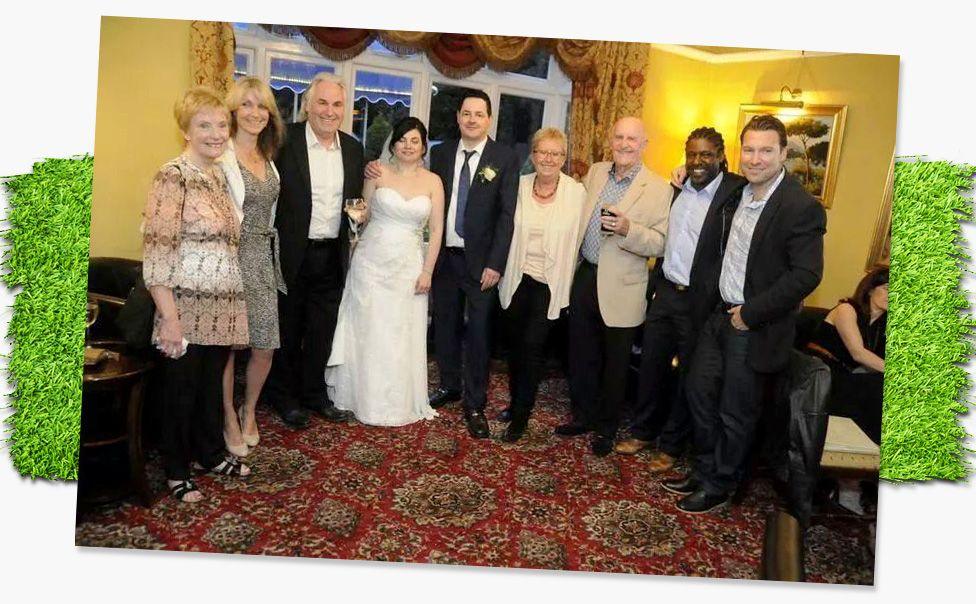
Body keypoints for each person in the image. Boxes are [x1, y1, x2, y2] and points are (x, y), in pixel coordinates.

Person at [665, 114, 827, 514]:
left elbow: (807, 274)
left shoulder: (800, 206)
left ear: (783, 153)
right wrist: (687, 171)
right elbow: (707, 178)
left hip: (753, 325)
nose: (755, 159)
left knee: (734, 411)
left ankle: (720, 484)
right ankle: (704, 470)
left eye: (766, 150)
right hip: (717, 316)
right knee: (698, 392)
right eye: (749, 150)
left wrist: (750, 314)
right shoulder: (739, 190)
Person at [615, 127, 747, 473]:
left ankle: (671, 445)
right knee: (650, 368)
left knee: (688, 376)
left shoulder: (735, 193)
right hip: (667, 293)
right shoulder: (674, 190)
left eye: (706, 155)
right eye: (692, 155)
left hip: (700, 304)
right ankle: (643, 431)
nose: (698, 161)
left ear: (720, 155)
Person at [142, 86, 251, 503]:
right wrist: (169, 318)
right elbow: (158, 249)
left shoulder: (218, 174)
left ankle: (209, 454)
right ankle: (175, 470)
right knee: (181, 391)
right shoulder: (173, 175)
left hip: (222, 305)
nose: (216, 132)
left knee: (211, 388)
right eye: (204, 125)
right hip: (184, 305)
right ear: (185, 130)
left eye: (222, 124)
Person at [557, 117, 672, 456]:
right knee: (580, 354)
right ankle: (583, 416)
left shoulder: (659, 188)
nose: (624, 144)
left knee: (615, 363)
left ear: (644, 144)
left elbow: (661, 243)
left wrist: (627, 229)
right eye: (619, 136)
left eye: (632, 139)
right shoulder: (595, 172)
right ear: (611, 139)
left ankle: (606, 428)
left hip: (623, 286)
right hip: (585, 276)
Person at [325, 117, 445, 425]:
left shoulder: (433, 182)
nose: (407, 145)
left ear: (423, 146)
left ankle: (395, 401)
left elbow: (437, 228)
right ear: (393, 143)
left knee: (400, 332)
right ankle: (361, 397)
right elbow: (361, 213)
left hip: (409, 266)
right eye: (402, 139)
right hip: (372, 263)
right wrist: (355, 216)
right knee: (369, 329)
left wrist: (428, 271)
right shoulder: (377, 172)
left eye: (414, 140)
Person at [262, 73, 364, 429]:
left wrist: (360, 214)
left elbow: (356, 201)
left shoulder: (353, 149)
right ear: (308, 104)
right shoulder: (283, 140)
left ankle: (314, 394)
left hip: (331, 255)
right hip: (291, 252)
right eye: (322, 102)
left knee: (322, 330)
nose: (329, 111)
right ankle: (284, 396)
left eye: (337, 104)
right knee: (288, 328)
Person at [425, 89, 519, 438]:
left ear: (489, 119)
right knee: (445, 327)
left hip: (482, 265)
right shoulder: (441, 152)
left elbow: (507, 216)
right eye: (466, 113)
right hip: (446, 259)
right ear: (458, 117)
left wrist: (496, 263)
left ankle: (475, 402)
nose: (472, 119)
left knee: (478, 335)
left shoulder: (505, 157)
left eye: (479, 114)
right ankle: (450, 385)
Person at [496, 127, 586, 442]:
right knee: (514, 349)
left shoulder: (577, 193)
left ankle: (521, 416)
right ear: (533, 155)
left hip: (549, 285)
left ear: (564, 158)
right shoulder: (517, 186)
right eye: (542, 152)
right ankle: (514, 402)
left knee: (532, 350)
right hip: (515, 279)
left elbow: (580, 238)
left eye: (556, 153)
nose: (548, 159)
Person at [217, 77, 286, 456]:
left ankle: (249, 409)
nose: (255, 113)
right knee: (228, 346)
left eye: (262, 106)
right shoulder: (220, 154)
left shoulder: (270, 159)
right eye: (247, 104)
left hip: (262, 259)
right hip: (229, 260)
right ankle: (228, 416)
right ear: (233, 111)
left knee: (264, 347)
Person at [807, 266, 888, 444]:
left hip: (845, 377)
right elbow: (858, 353)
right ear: (870, 289)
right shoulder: (846, 309)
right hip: (821, 374)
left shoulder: (882, 326)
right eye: (887, 288)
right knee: (880, 386)